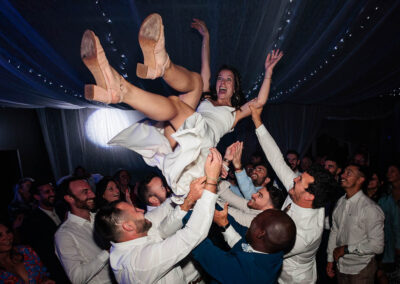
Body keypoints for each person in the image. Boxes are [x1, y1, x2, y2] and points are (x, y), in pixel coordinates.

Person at [81, 13, 282, 203]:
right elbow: (205, 69)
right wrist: (206, 38)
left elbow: (260, 102)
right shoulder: (207, 97)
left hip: (200, 142)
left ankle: (122, 91)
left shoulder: (235, 113)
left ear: (235, 87)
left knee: (178, 104)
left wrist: (269, 72)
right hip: (178, 133)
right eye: (220, 78)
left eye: (228, 79)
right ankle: (160, 67)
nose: (222, 82)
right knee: (195, 81)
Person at [94, 148, 222, 283]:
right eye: (136, 211)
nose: (142, 211)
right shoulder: (138, 263)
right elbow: (192, 235)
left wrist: (189, 199)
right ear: (128, 226)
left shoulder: (127, 240)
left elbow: (161, 231)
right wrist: (212, 180)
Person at [249, 106, 338, 284]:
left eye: (299, 181)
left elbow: (265, 249)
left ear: (309, 196)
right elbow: (277, 160)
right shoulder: (304, 192)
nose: (294, 180)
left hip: (294, 280)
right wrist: (258, 122)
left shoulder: (305, 234)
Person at [191, 207, 296, 284]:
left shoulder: (247, 272)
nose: (251, 222)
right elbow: (239, 232)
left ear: (260, 234)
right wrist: (210, 201)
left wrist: (186, 209)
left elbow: (202, 249)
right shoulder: (273, 251)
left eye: (255, 219)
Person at [327, 164, 384, 284]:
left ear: (360, 179)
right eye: (344, 172)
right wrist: (330, 259)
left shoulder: (370, 208)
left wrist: (347, 249)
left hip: (361, 269)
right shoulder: (340, 202)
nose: (342, 175)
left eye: (349, 173)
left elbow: (377, 246)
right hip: (340, 266)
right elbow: (335, 231)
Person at [54, 177, 114, 283]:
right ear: (69, 198)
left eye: (90, 190)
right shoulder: (65, 234)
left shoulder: (100, 217)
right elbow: (77, 278)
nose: (93, 195)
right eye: (85, 192)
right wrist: (107, 252)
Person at [0, 219, 55, 283]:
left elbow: (44, 274)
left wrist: (46, 280)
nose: (7, 237)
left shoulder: (26, 251)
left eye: (8, 232)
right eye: (0, 235)